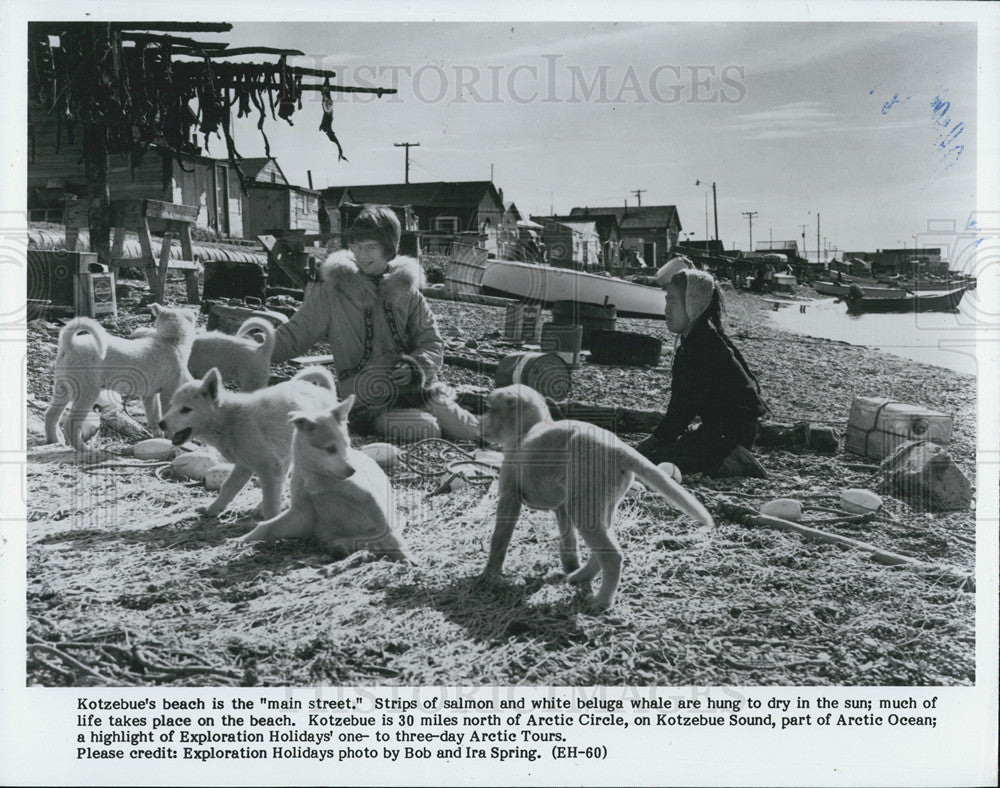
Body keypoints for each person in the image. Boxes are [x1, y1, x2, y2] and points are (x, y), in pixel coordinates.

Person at [270, 205, 479, 442]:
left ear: (389, 250)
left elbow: (431, 341)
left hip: (413, 392)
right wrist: (256, 349)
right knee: (428, 429)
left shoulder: (409, 293)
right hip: (367, 405)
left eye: (371, 248)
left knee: (467, 428)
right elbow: (295, 333)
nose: (362, 255)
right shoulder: (333, 292)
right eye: (357, 247)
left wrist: (416, 367)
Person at [634, 268, 768, 477]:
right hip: (728, 428)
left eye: (674, 303)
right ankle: (728, 454)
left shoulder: (702, 347)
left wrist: (647, 444)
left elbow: (681, 411)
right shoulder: (706, 337)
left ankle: (736, 461)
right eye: (667, 301)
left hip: (732, 433)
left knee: (657, 461)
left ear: (693, 304)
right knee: (668, 453)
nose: (667, 310)